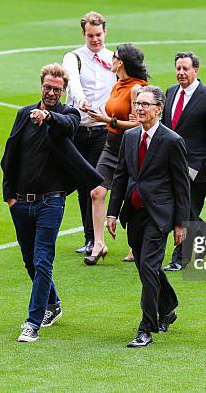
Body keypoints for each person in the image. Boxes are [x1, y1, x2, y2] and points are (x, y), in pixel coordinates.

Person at [0, 64, 103, 342]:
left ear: (64, 91)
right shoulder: (23, 115)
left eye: (58, 89)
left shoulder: (67, 115)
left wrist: (47, 117)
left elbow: (68, 126)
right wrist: (9, 195)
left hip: (51, 202)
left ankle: (32, 322)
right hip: (21, 202)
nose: (52, 92)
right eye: (48, 87)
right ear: (41, 86)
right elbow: (10, 154)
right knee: (30, 262)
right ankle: (53, 303)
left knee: (43, 259)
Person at [107, 86, 190, 347]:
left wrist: (180, 223)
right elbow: (121, 175)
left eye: (145, 104)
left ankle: (146, 328)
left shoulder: (172, 141)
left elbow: (181, 186)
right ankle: (168, 306)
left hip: (159, 215)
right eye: (137, 103)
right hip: (134, 214)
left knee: (147, 267)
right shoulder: (130, 136)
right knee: (147, 268)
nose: (139, 108)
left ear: (158, 109)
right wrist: (112, 212)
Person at [84, 44, 148, 265]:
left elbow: (138, 124)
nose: (111, 59)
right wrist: (97, 115)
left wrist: (106, 121)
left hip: (130, 147)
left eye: (114, 56)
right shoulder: (117, 84)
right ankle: (99, 243)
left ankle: (135, 244)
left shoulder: (136, 89)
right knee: (97, 192)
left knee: (133, 196)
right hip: (111, 146)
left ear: (122, 62)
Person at [161, 52, 206, 272]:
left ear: (195, 70)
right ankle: (203, 231)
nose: (181, 73)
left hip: (195, 164)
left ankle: (180, 257)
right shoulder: (170, 92)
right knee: (183, 208)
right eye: (178, 68)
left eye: (185, 68)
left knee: (185, 208)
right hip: (172, 162)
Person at [62, 11, 116, 255]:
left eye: (98, 34)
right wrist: (81, 99)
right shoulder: (74, 57)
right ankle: (90, 237)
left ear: (105, 32)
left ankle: (95, 238)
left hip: (103, 128)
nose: (95, 39)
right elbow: (72, 81)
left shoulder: (114, 58)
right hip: (78, 128)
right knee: (82, 183)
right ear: (83, 34)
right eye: (90, 35)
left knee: (96, 184)